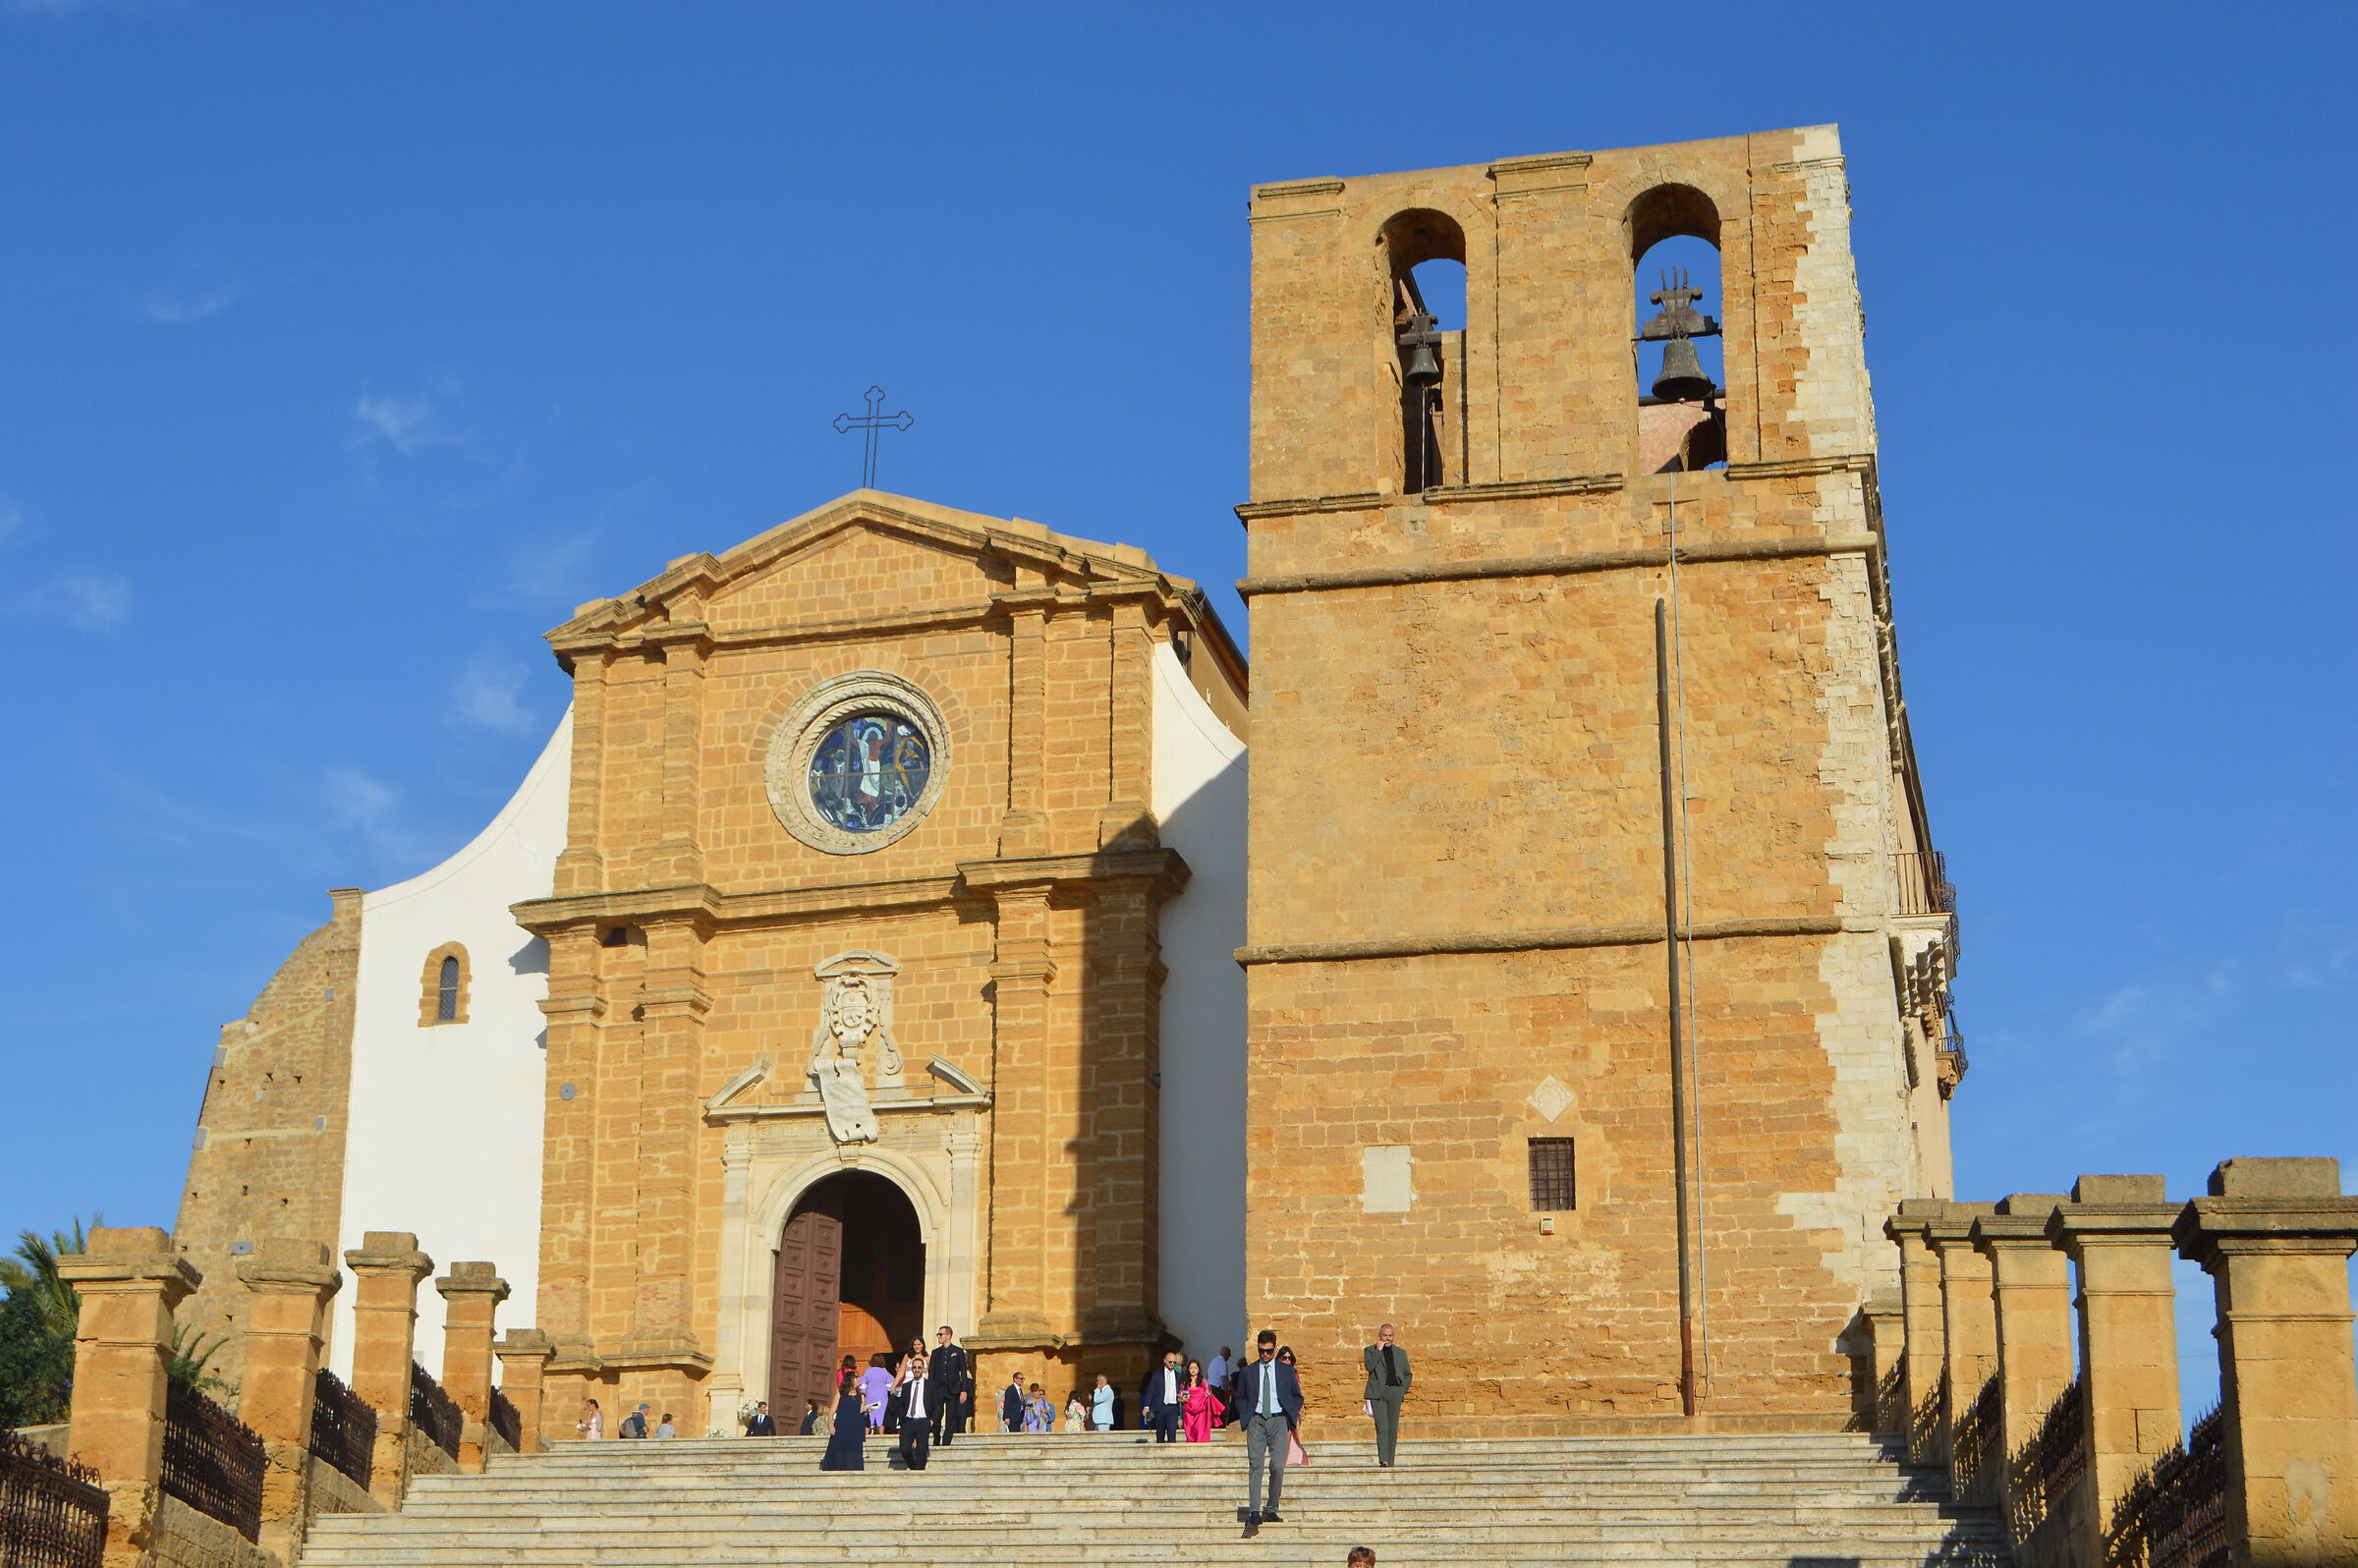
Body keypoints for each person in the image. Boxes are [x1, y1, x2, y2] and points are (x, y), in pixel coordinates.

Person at [1232, 1329, 1302, 1525]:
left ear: (1274, 1348)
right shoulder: (1248, 1372)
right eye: (1261, 1351)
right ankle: (1254, 1511)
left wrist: (1290, 1416)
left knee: (1277, 1466)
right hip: (1256, 1420)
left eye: (1269, 1351)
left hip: (1279, 1420)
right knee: (1256, 1465)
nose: (1265, 1354)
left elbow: (1297, 1396)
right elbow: (1240, 1397)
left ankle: (1271, 1508)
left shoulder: (1286, 1370)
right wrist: (1246, 1416)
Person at [1361, 1322, 1412, 1468]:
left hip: (1395, 1391)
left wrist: (1402, 1390)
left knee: (1392, 1428)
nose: (1387, 1338)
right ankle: (1383, 1459)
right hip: (1378, 1393)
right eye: (1385, 1335)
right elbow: (1369, 1366)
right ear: (1380, 1335)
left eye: (1390, 1336)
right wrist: (1378, 1350)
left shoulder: (1400, 1353)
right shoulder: (1370, 1350)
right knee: (1382, 1426)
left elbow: (1408, 1374)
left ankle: (1390, 1461)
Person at [927, 1325, 974, 1446]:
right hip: (938, 1389)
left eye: (941, 1334)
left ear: (948, 1335)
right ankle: (936, 1439)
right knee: (937, 1414)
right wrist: (930, 1390)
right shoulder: (935, 1353)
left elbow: (963, 1372)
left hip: (953, 1389)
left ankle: (946, 1442)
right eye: (938, 1334)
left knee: (951, 1418)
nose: (939, 1337)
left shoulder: (958, 1351)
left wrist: (964, 1390)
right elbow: (931, 1373)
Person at [894, 1351, 932, 1471]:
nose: (917, 1370)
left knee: (921, 1450)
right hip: (908, 1421)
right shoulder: (906, 1386)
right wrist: (902, 1418)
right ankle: (914, 1468)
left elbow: (937, 1405)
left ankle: (919, 1472)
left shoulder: (930, 1386)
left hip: (923, 1421)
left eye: (919, 1368)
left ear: (923, 1369)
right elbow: (901, 1404)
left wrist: (932, 1420)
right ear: (911, 1369)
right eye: (914, 1367)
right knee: (904, 1449)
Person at [820, 1371, 866, 1471]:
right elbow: (831, 1412)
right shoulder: (840, 1395)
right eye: (856, 1377)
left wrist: (867, 1410)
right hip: (841, 1426)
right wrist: (830, 1425)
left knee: (854, 1450)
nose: (858, 1379)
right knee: (839, 1449)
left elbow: (861, 1410)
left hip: (855, 1427)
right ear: (850, 1380)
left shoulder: (861, 1396)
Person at [1140, 1349, 1184, 1443]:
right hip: (1160, 1407)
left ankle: (1171, 1452)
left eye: (1174, 1362)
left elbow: (1182, 1390)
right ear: (1165, 1361)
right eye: (1170, 1362)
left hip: (1173, 1408)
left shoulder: (1179, 1376)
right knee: (1160, 1434)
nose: (1172, 1364)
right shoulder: (1157, 1374)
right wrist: (1146, 1406)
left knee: (1172, 1434)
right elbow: (1151, 1391)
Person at [1278, 1348, 1310, 1467]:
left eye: (1289, 1358)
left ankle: (1284, 1459)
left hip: (1291, 1407)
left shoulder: (1293, 1373)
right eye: (1284, 1358)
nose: (1287, 1360)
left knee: (1289, 1432)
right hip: (1279, 1408)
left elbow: (1297, 1392)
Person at [1181, 1360, 1224, 1443]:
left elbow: (1208, 1392)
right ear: (1188, 1370)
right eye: (1191, 1368)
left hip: (1201, 1411)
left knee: (1200, 1431)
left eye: (1195, 1368)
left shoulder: (1203, 1382)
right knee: (1190, 1432)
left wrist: (1207, 1394)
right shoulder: (1185, 1383)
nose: (1193, 1370)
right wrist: (1182, 1397)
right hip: (1188, 1411)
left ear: (1198, 1369)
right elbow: (1182, 1395)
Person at [860, 1358, 893, 1432]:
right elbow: (890, 1385)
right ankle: (881, 1435)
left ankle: (866, 1436)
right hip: (882, 1398)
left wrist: (864, 1393)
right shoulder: (884, 1371)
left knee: (869, 1417)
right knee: (881, 1417)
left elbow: (862, 1385)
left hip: (870, 1398)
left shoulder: (868, 1371)